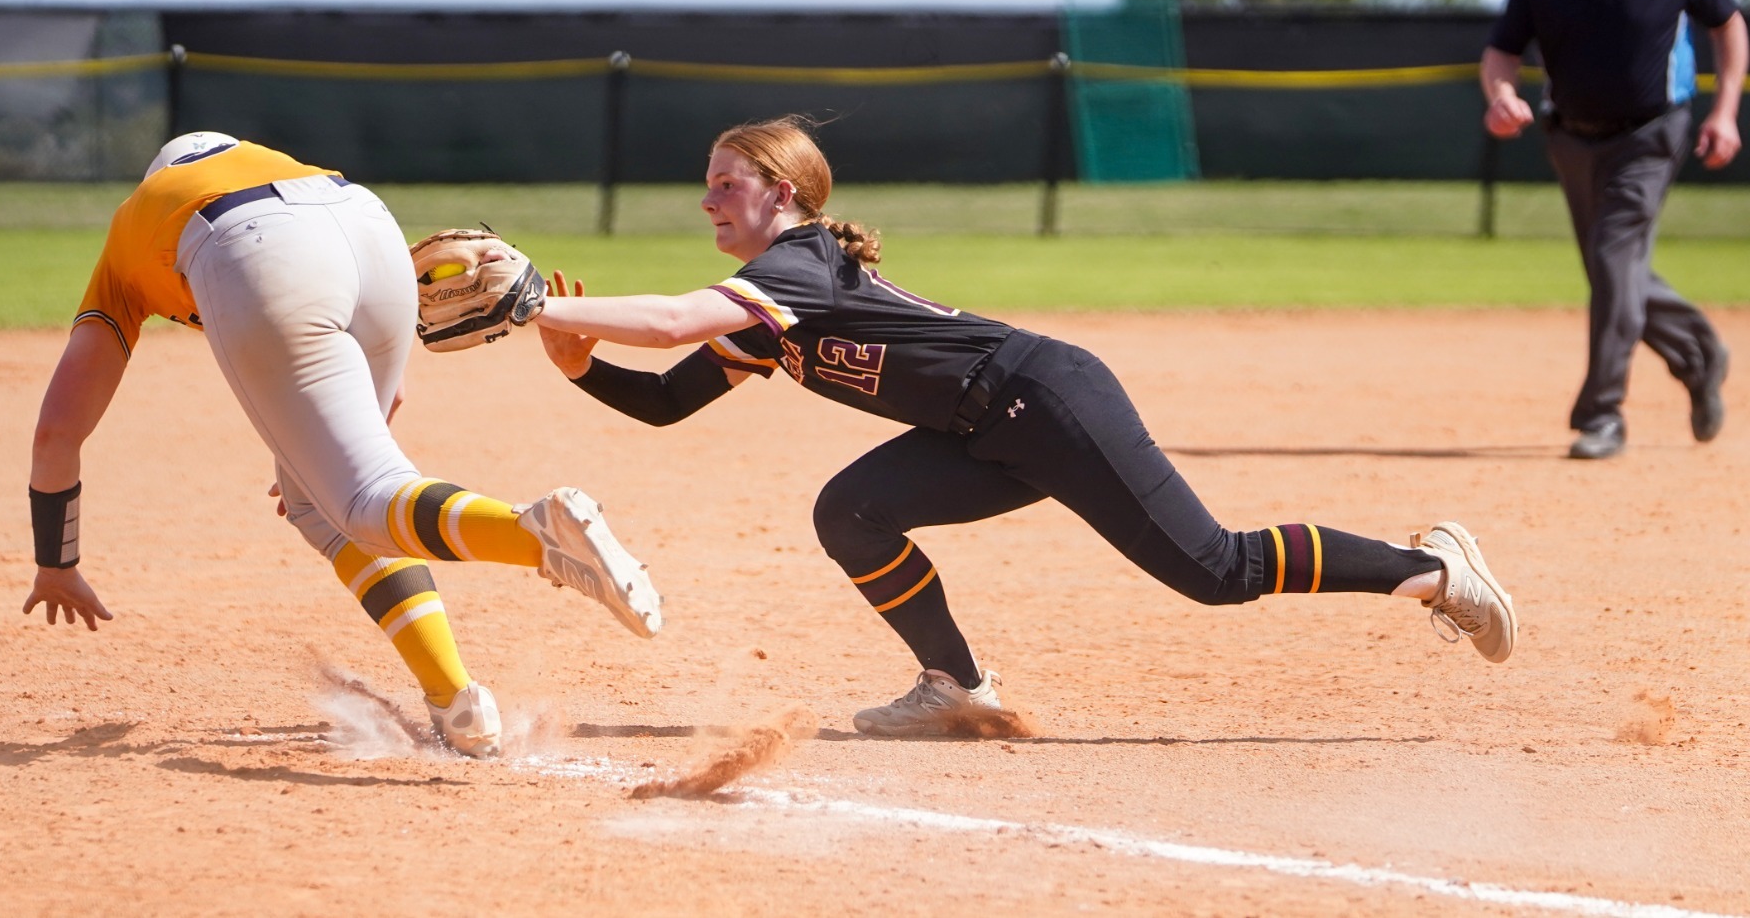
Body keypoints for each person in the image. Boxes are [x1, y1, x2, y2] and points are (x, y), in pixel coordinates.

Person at [526, 116, 1516, 736]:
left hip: (1043, 399)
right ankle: (954, 684)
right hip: (979, 429)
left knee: (1213, 570)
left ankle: (1424, 565)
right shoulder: (776, 308)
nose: (707, 199)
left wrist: (535, 306)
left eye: (726, 183)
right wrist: (579, 368)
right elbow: (663, 398)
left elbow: (667, 321)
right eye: (708, 182)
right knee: (852, 511)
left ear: (781, 196)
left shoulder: (794, 267)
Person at [21, 132, 662, 758]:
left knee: (362, 501)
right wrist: (316, 465)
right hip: (369, 225)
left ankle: (538, 535)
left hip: (248, 245)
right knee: (323, 503)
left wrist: (57, 562)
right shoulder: (280, 167)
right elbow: (391, 397)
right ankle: (456, 702)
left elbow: (57, 431)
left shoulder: (138, 224)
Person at [1482, 0, 1743, 460]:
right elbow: (1502, 50)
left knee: (1611, 259)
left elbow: (1727, 22)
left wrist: (1726, 109)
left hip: (1651, 134)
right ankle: (1701, 352)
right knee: (1613, 272)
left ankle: (1602, 415)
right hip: (1571, 136)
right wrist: (1499, 95)